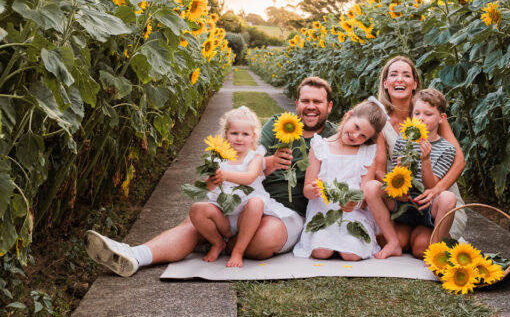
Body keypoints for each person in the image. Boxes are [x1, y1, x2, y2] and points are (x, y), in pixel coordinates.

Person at [84, 77, 335, 276]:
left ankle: (213, 241)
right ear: (297, 103)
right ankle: (134, 255)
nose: (310, 107)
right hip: (248, 200)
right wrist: (269, 162)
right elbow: (248, 155)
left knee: (261, 242)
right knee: (197, 219)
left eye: (318, 102)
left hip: (286, 212)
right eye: (305, 100)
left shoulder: (335, 138)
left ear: (329, 106)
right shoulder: (280, 123)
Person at [370, 54, 467, 239]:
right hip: (405, 195)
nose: (400, 79)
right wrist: (396, 188)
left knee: (425, 245)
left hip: (438, 194)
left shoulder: (431, 112)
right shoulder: (380, 119)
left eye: (406, 75)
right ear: (385, 83)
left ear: (414, 83)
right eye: (394, 74)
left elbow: (460, 160)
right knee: (398, 240)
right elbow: (379, 170)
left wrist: (436, 190)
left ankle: (433, 237)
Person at [188, 106, 294, 267]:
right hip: (223, 213)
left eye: (245, 134)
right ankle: (218, 243)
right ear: (225, 135)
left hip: (247, 214)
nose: (239, 138)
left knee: (256, 202)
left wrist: (225, 175)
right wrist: (211, 180)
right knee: (197, 209)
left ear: (253, 137)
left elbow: (250, 177)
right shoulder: (218, 158)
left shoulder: (255, 156)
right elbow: (209, 187)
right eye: (234, 133)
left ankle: (238, 250)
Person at [293, 100, 386, 261]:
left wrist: (353, 203)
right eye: (356, 127)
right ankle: (323, 238)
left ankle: (352, 240)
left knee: (351, 254)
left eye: (363, 136)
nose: (355, 136)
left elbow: (363, 197)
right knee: (321, 251)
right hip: (323, 213)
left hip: (353, 215)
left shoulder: (366, 153)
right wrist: (313, 190)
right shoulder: (320, 146)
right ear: (349, 116)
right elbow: (307, 188)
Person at [385, 89, 460, 259]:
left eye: (428, 114)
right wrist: (400, 170)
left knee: (421, 250)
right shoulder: (404, 140)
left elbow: (433, 188)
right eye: (417, 113)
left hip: (426, 206)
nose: (421, 118)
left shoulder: (447, 149)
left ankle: (436, 249)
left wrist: (425, 160)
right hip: (404, 204)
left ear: (441, 118)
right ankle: (406, 235)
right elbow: (397, 179)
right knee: (400, 242)